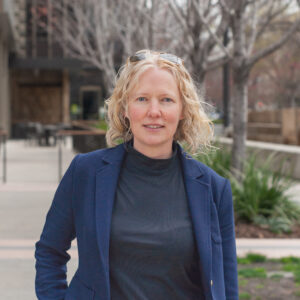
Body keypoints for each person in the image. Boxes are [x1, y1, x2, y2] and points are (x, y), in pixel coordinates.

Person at [35, 49, 238, 300]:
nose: (154, 111)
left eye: (166, 100)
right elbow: (49, 251)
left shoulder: (214, 189)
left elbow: (225, 282)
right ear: (125, 109)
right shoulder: (85, 173)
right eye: (142, 99)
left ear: (183, 109)